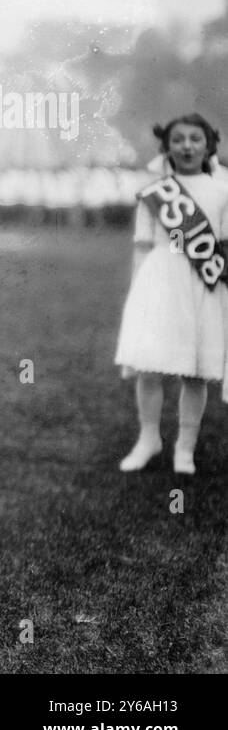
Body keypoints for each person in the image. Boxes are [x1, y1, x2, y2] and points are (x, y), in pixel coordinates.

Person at [115, 114, 228, 476]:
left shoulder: (223, 191)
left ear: (210, 145)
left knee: (194, 371)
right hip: (159, 279)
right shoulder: (156, 192)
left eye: (196, 139)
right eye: (178, 139)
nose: (187, 146)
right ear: (167, 146)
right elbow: (142, 244)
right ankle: (149, 438)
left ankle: (185, 447)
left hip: (202, 283)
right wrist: (137, 292)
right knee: (149, 366)